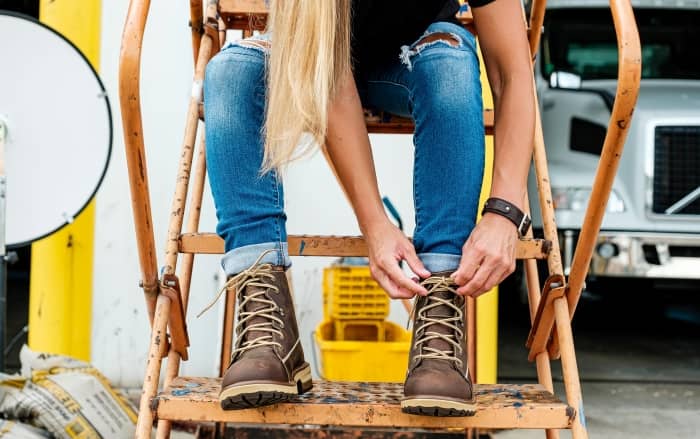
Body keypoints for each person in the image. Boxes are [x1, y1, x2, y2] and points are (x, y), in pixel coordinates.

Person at [202, 0, 534, 417]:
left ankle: (441, 310)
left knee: (449, 62)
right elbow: (326, 70)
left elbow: (512, 73)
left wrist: (505, 213)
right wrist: (375, 225)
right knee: (230, 72)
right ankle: (268, 324)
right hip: (309, 53)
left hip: (413, 57)